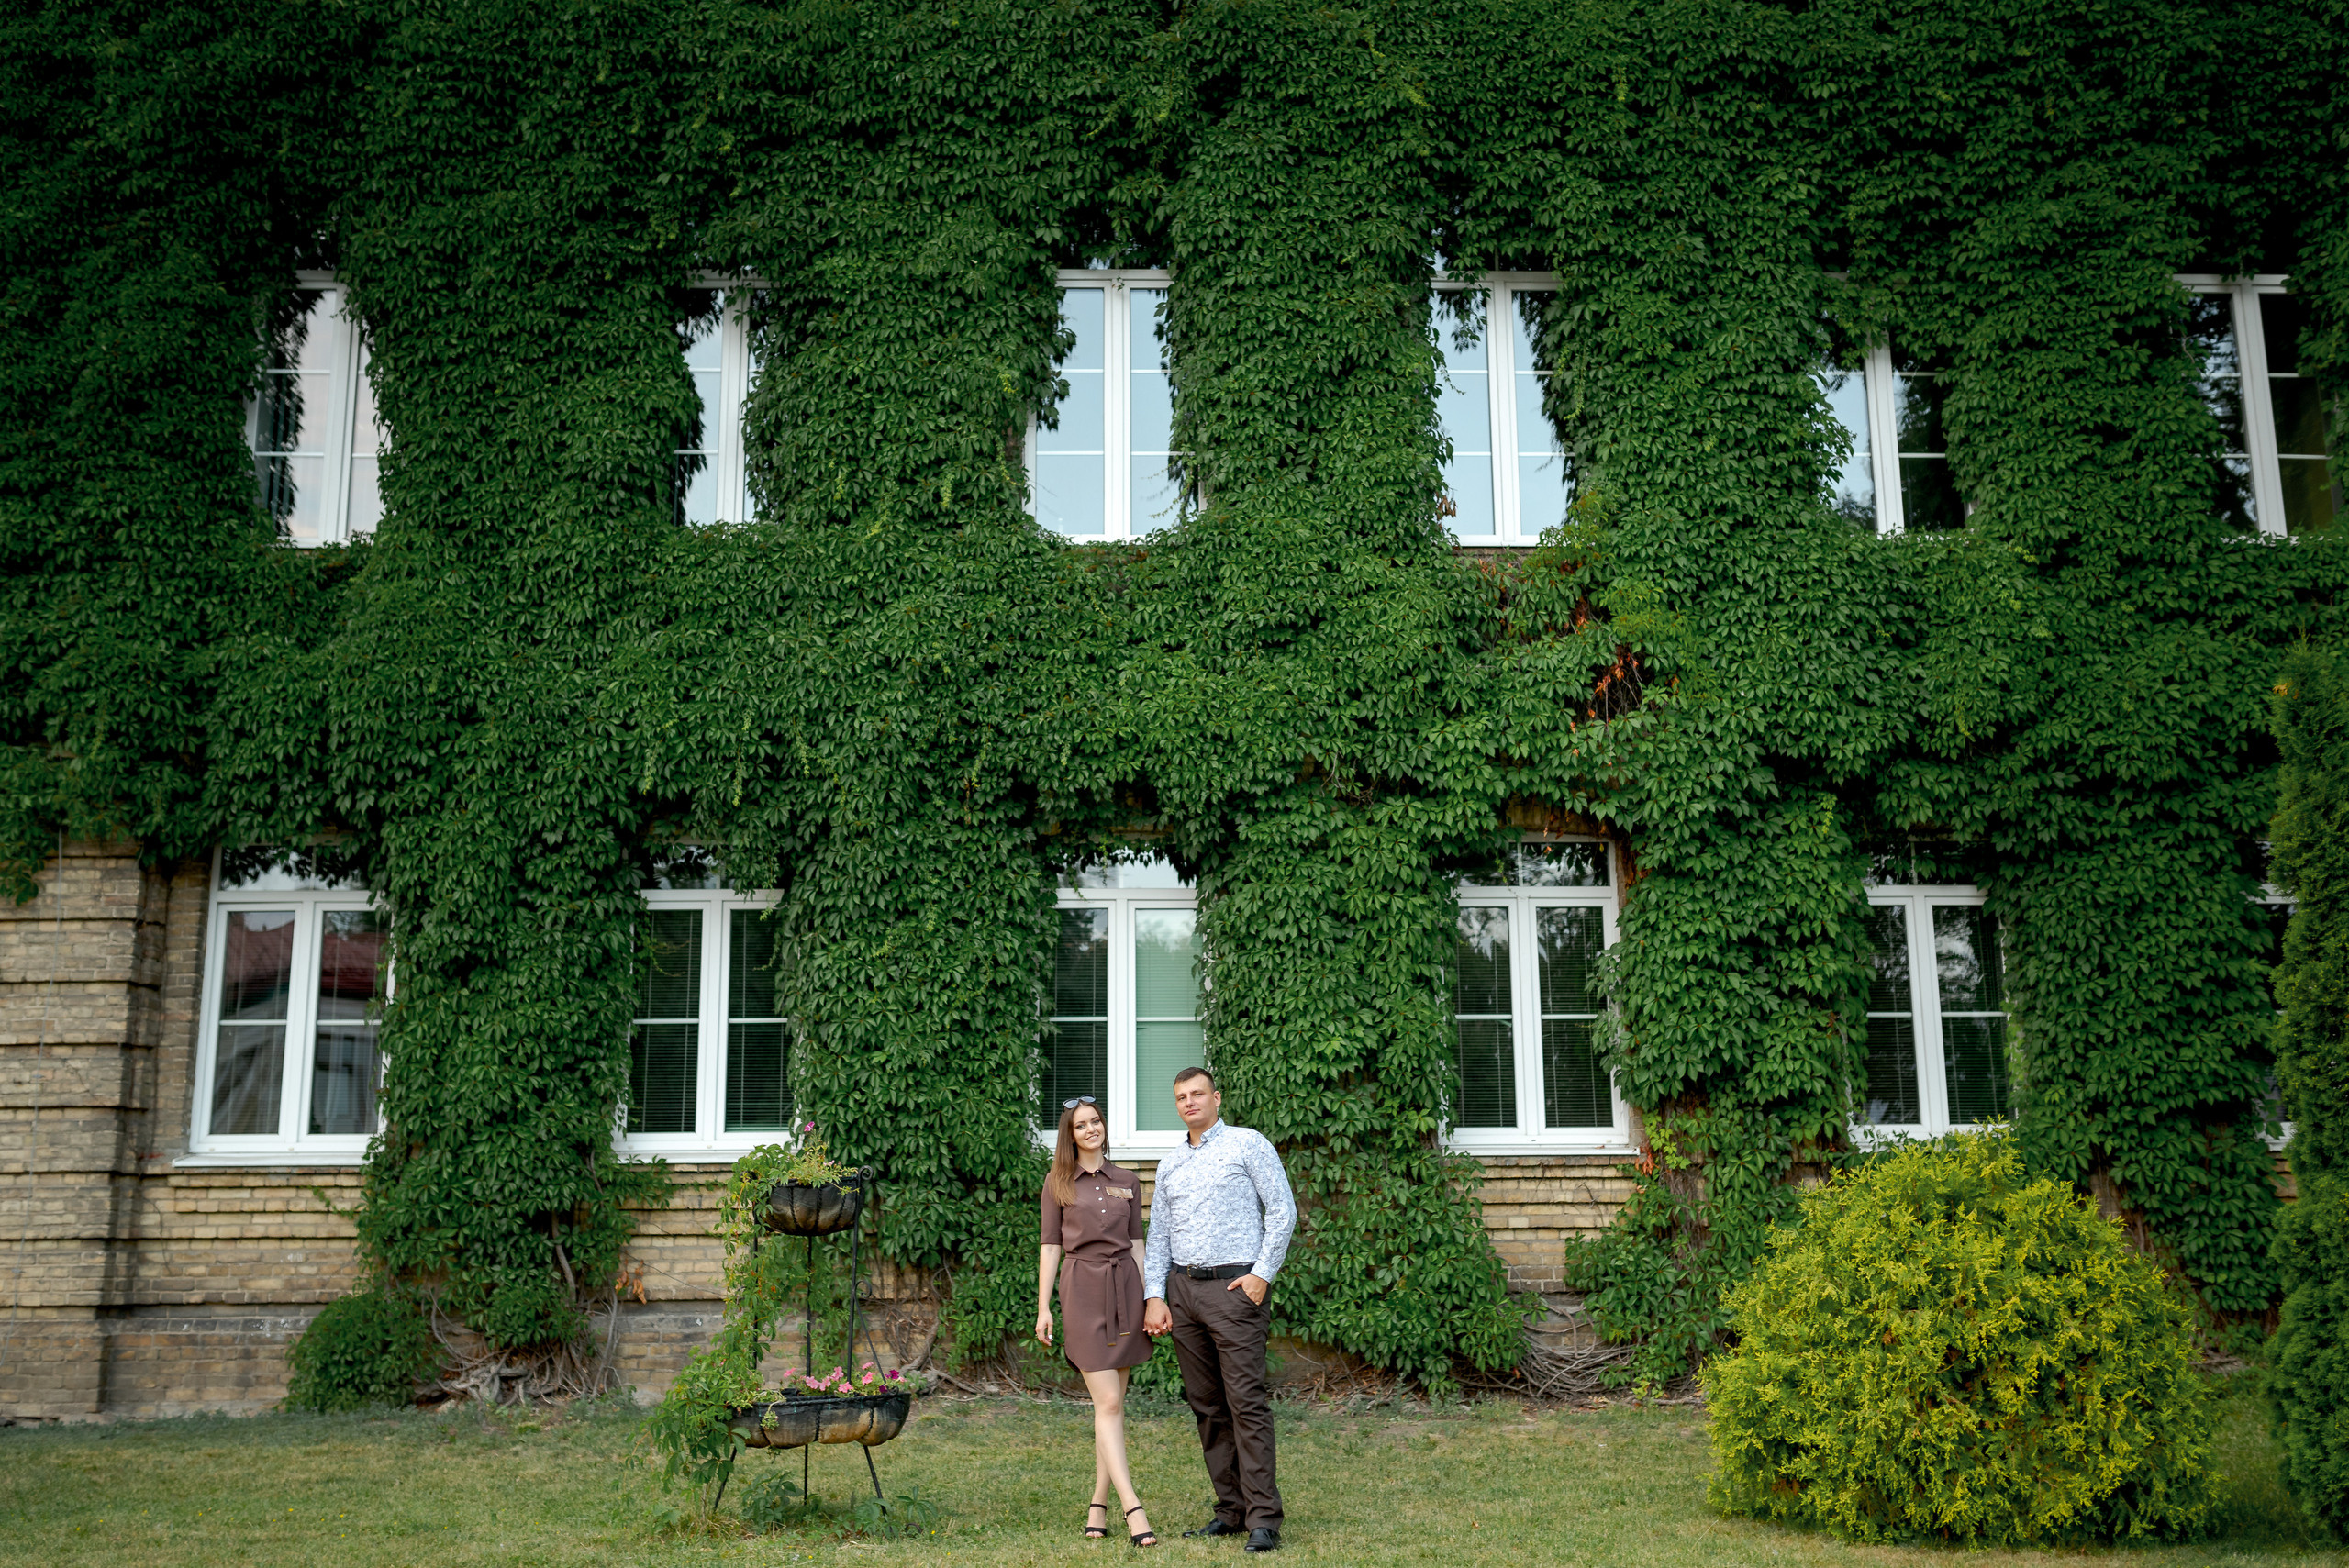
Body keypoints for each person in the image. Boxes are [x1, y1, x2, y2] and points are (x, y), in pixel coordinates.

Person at [1141, 1066, 1297, 1553]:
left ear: (1217, 1098)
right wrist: (1155, 1294)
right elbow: (1158, 1236)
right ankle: (1229, 1510)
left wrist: (1262, 1274)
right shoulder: (1169, 1164)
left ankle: (1263, 1519)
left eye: (1198, 1094)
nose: (1189, 1102)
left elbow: (1282, 1208)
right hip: (1183, 1294)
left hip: (1234, 1290)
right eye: (1181, 1096)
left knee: (1245, 1403)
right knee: (1207, 1407)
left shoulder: (1247, 1144)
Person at [1036, 1095, 1159, 1547]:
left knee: (1111, 1407)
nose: (1091, 1129)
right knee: (1107, 1402)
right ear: (1070, 1135)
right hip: (1082, 1291)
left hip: (1126, 1288)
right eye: (1081, 1125)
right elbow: (1050, 1246)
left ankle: (1097, 1504)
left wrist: (1151, 1298)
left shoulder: (1127, 1179)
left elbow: (1137, 1243)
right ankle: (1133, 1508)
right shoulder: (1058, 1182)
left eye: (1096, 1121)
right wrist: (1044, 1306)